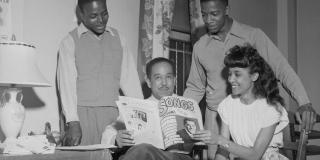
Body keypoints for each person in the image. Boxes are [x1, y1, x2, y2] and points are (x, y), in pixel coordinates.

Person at [183, 0, 316, 158]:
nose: (208, 20)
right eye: (204, 14)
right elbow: (195, 88)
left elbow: (282, 69)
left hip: (251, 118)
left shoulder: (253, 36)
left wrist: (304, 102)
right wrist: (178, 112)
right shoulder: (200, 47)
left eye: (214, 14)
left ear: (226, 9)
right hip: (217, 118)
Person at [56, 0, 143, 158]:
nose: (101, 20)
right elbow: (66, 85)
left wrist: (140, 114)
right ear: (81, 15)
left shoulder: (119, 38)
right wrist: (73, 121)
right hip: (82, 117)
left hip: (113, 116)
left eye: (104, 13)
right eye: (94, 16)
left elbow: (131, 82)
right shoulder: (69, 42)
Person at [193, 44, 289, 160]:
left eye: (237, 74)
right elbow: (223, 149)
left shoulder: (271, 107)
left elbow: (255, 155)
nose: (230, 79)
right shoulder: (227, 104)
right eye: (229, 74)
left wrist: (219, 139)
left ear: (254, 76)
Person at [101, 57, 193, 160]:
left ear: (174, 80)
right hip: (144, 155)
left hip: (177, 156)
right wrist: (116, 140)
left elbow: (197, 136)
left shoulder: (185, 106)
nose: (164, 83)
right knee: (137, 151)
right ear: (149, 82)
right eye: (158, 77)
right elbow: (109, 133)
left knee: (141, 150)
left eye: (168, 77)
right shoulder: (138, 107)